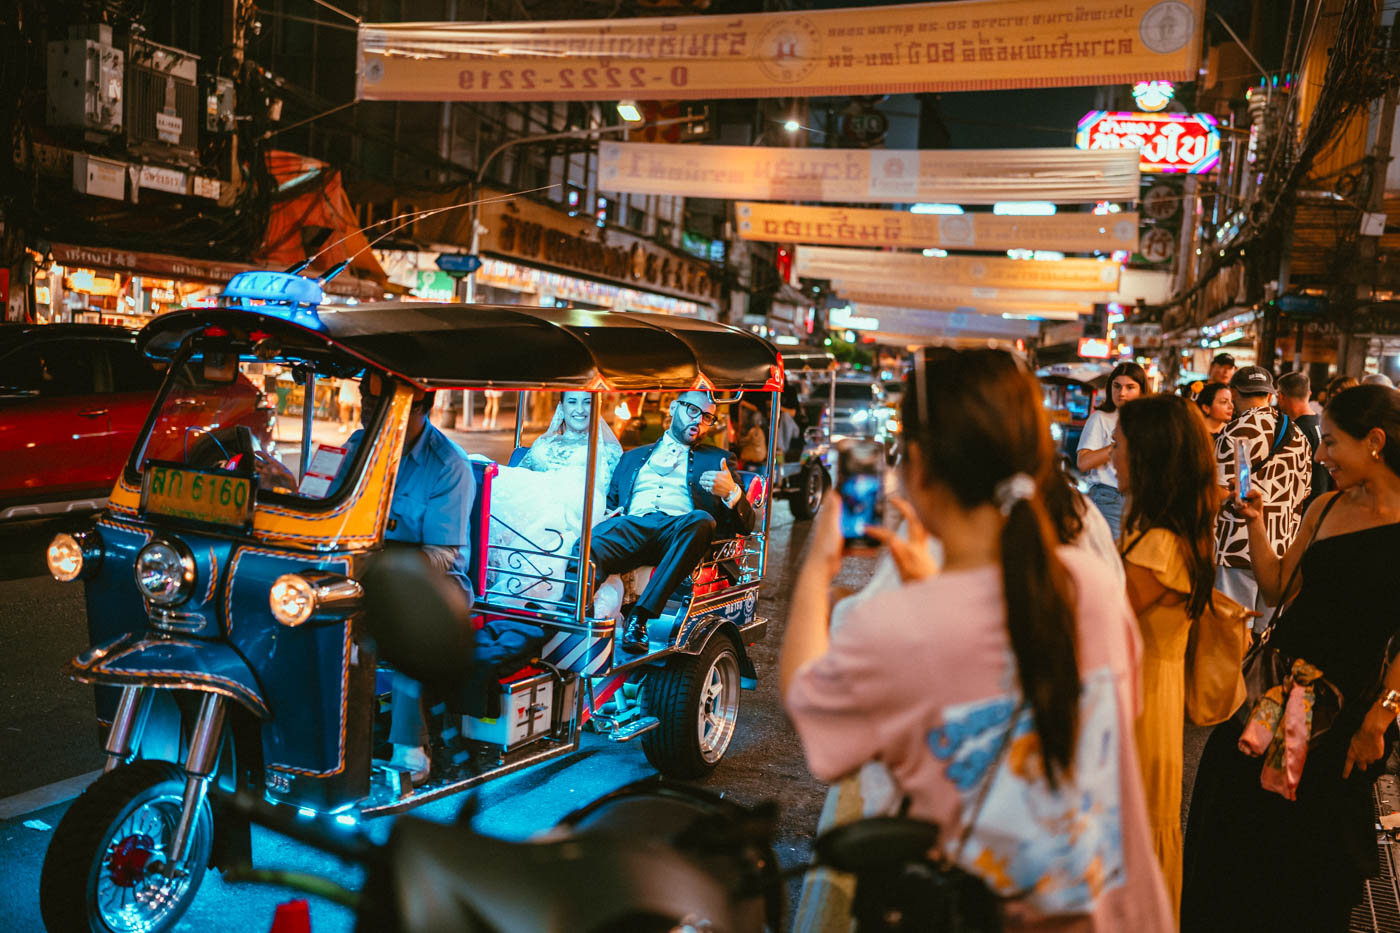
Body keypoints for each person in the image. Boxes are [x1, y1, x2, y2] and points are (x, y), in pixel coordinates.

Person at [782, 348, 1173, 932]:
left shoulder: (893, 625)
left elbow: (808, 710)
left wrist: (816, 570)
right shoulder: (1092, 586)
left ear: (915, 466)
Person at [1182, 385, 1400, 931]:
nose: (1321, 456)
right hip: (1275, 694)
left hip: (1345, 710)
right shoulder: (1325, 506)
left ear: (1375, 442)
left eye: (1331, 443)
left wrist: (1382, 717)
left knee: (1312, 843)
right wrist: (1256, 522)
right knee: (1236, 810)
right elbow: (1277, 587)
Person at [1110, 394, 1222, 915]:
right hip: (1149, 691)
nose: (1111, 456)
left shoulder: (1157, 545)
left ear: (1150, 457)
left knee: (1135, 827)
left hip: (1139, 700)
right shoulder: (1167, 531)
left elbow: (1100, 624)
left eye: (1119, 446)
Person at [351, 374, 477, 785]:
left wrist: (382, 574)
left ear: (420, 409)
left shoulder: (449, 465)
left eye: (382, 410)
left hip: (432, 583)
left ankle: (410, 745)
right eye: (367, 407)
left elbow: (444, 553)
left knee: (405, 613)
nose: (370, 417)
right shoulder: (356, 446)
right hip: (359, 572)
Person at [588, 390, 756, 653]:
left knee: (701, 520)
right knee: (593, 538)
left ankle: (640, 618)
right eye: (693, 411)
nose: (699, 421)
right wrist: (608, 516)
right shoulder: (632, 456)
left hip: (678, 534)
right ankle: (575, 610)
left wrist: (732, 493)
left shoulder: (717, 458)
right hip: (634, 528)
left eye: (707, 417)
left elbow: (746, 526)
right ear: (674, 407)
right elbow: (610, 503)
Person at [486, 391, 623, 613]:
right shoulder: (543, 444)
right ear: (562, 406)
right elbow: (520, 480)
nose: (579, 409)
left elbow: (610, 493)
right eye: (572, 402)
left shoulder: (607, 450)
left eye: (587, 403)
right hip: (533, 510)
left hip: (576, 515)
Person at [1213, 366, 1311, 631]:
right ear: (1270, 395)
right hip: (1280, 552)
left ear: (1233, 393)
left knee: (1232, 633)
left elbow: (1218, 491)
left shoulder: (1235, 431)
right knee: (1265, 638)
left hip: (1237, 546)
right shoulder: (1298, 435)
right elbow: (1304, 492)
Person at [1076, 361, 1147, 540]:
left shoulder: (1149, 421)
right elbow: (1083, 462)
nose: (1121, 393)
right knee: (1113, 559)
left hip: (1141, 500)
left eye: (1130, 387)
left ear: (1141, 390)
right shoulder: (1101, 418)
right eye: (1117, 386)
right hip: (1109, 497)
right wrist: (1118, 446)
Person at [1278, 371, 1329, 508]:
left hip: (1303, 506)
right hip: (1323, 501)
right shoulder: (1323, 423)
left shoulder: (1296, 431)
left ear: (1281, 396)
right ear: (1309, 393)